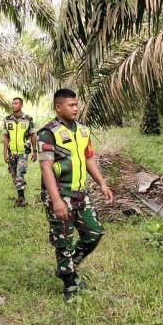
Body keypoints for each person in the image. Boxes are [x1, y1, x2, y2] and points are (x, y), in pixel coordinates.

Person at [37, 89, 114, 300]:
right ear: (58, 107)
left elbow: (89, 159)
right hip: (60, 193)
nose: (75, 108)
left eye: (76, 104)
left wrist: (102, 183)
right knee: (64, 240)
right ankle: (69, 283)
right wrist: (56, 200)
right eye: (71, 105)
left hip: (81, 192)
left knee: (94, 232)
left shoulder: (83, 131)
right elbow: (46, 168)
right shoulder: (47, 133)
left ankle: (68, 265)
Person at [3, 97, 37, 206]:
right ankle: (20, 192)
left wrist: (35, 151)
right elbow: (5, 137)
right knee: (13, 174)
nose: (13, 105)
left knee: (19, 172)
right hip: (11, 152)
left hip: (23, 152)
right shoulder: (7, 119)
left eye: (16, 103)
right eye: (12, 103)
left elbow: (33, 135)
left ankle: (21, 198)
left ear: (21, 105)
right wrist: (4, 154)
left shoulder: (28, 119)